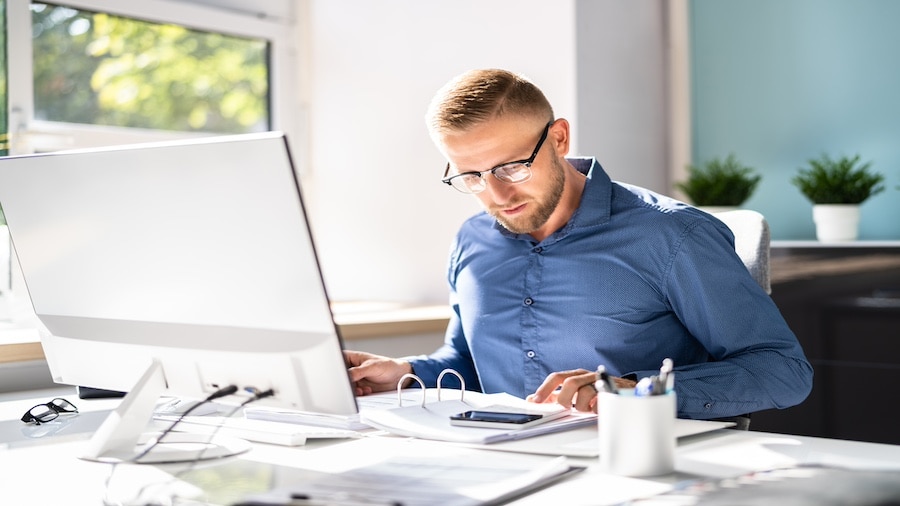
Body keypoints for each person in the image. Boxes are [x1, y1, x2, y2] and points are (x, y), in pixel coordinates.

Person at [344, 68, 812, 422]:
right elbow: (467, 360)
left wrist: (630, 391)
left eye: (510, 168)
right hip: (503, 465)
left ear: (559, 138)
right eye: (470, 176)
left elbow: (783, 371)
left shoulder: (672, 236)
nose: (496, 195)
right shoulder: (473, 240)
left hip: (638, 471)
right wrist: (405, 370)